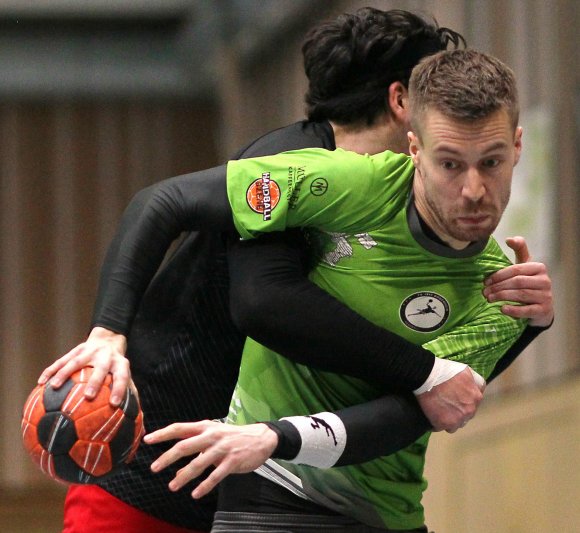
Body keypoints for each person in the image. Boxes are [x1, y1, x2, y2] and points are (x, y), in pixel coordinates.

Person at [40, 9, 552, 533]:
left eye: (489, 161)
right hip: (157, 460)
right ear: (405, 106)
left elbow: (448, 391)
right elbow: (263, 301)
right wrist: (107, 331)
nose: (471, 186)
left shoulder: (451, 238)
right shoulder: (304, 166)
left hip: (257, 462)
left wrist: (521, 324)